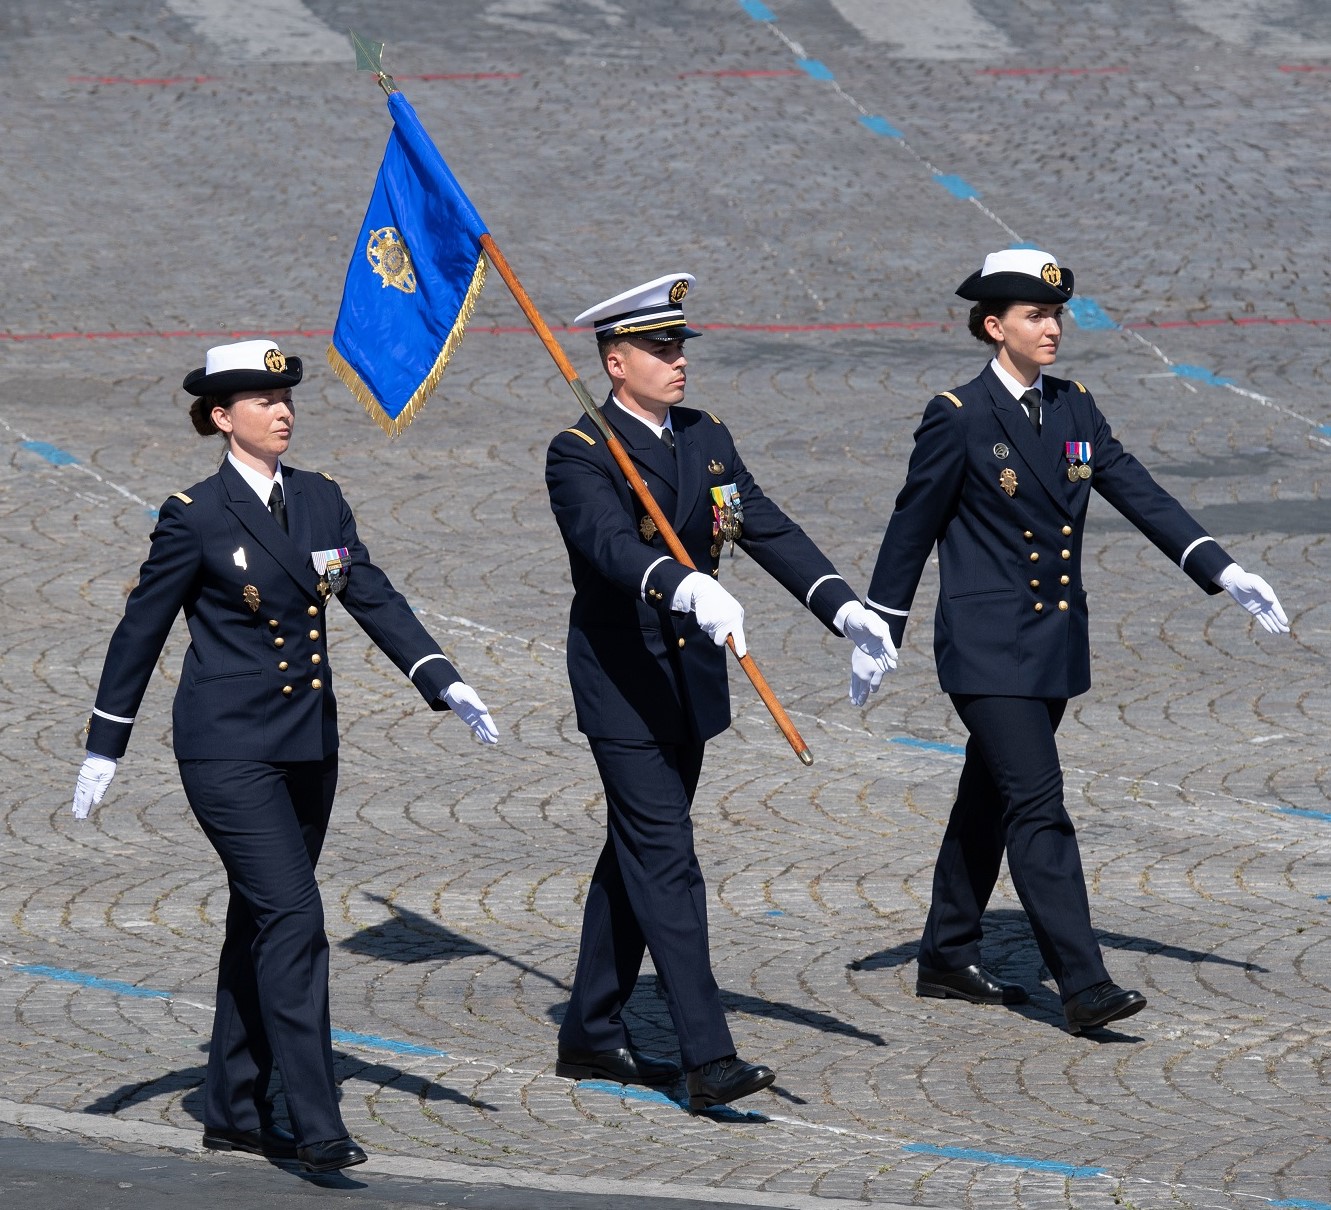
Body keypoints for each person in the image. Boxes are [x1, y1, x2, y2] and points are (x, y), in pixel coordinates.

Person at [70, 339, 499, 1172]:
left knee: (260, 917)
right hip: (227, 752)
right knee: (296, 919)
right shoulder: (194, 513)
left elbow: (364, 590)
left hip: (307, 746)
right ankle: (312, 1120)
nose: (282, 412)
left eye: (287, 398)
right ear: (222, 418)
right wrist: (104, 743)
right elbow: (140, 630)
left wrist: (439, 677)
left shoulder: (320, 501)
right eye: (262, 402)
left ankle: (231, 1104)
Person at [851, 249, 1288, 1034]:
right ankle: (1082, 984)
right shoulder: (956, 415)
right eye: (1034, 316)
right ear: (994, 326)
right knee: (1038, 806)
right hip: (985, 651)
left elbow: (1136, 489)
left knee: (988, 799)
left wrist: (1220, 569)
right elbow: (910, 526)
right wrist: (877, 622)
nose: (1051, 327)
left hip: (1050, 645)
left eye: (1056, 314)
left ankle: (947, 952)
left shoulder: (1074, 408)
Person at [545, 273, 895, 1110]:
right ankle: (707, 1058)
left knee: (635, 854)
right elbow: (603, 545)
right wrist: (681, 583)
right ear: (613, 358)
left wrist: (839, 604)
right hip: (623, 682)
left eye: (679, 347)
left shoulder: (705, 439)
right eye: (658, 349)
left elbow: (760, 523)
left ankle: (590, 1030)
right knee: (666, 858)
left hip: (688, 684)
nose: (676, 362)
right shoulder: (581, 450)